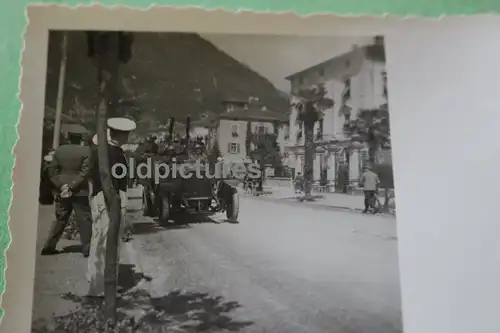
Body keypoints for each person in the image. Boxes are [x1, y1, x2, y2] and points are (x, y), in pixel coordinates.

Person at [86, 117, 136, 297]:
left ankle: (97, 282)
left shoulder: (103, 150)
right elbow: (113, 183)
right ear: (121, 135)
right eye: (127, 134)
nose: (128, 137)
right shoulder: (114, 154)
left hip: (100, 198)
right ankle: (102, 288)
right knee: (108, 242)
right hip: (110, 199)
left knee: (99, 239)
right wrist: (117, 206)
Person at [41, 131, 92, 257]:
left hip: (62, 190)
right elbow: (85, 171)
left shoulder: (59, 150)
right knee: (84, 219)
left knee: (60, 219)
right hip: (80, 190)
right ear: (80, 139)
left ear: (68, 138)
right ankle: (87, 249)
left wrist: (61, 185)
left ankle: (49, 247)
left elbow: (52, 171)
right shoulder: (86, 151)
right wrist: (73, 185)